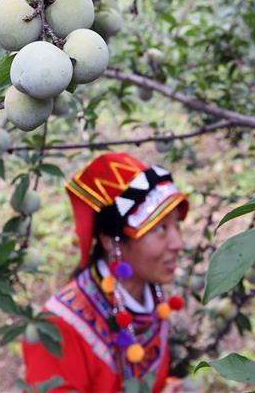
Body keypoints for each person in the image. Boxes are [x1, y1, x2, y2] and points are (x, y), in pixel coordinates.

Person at [22, 151, 189, 392]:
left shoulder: (151, 295)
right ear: (112, 242)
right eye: (160, 228)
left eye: (177, 225)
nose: (178, 243)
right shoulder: (60, 328)